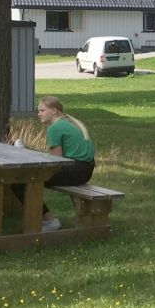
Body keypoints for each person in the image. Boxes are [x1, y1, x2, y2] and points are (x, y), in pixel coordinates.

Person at [12, 96, 95, 232]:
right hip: (85, 170)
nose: (38, 114)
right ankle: (45, 219)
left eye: (42, 110)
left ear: (54, 111)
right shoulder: (69, 123)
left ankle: (49, 221)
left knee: (19, 179)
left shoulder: (54, 128)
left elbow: (56, 162)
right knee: (24, 177)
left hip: (74, 171)